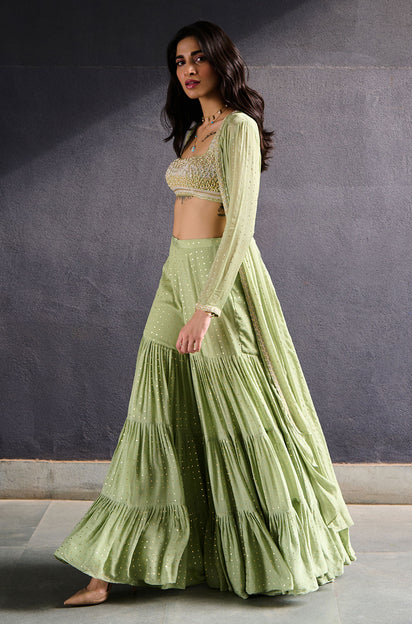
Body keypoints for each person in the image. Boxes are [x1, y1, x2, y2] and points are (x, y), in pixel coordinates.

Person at [54, 20, 357, 606]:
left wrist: (209, 307)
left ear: (221, 61)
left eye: (197, 58)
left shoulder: (238, 127)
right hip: (177, 270)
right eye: (179, 62)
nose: (188, 70)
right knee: (154, 408)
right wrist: (181, 288)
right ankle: (105, 568)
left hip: (221, 279)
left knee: (239, 405)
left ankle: (274, 554)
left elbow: (240, 223)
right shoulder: (196, 130)